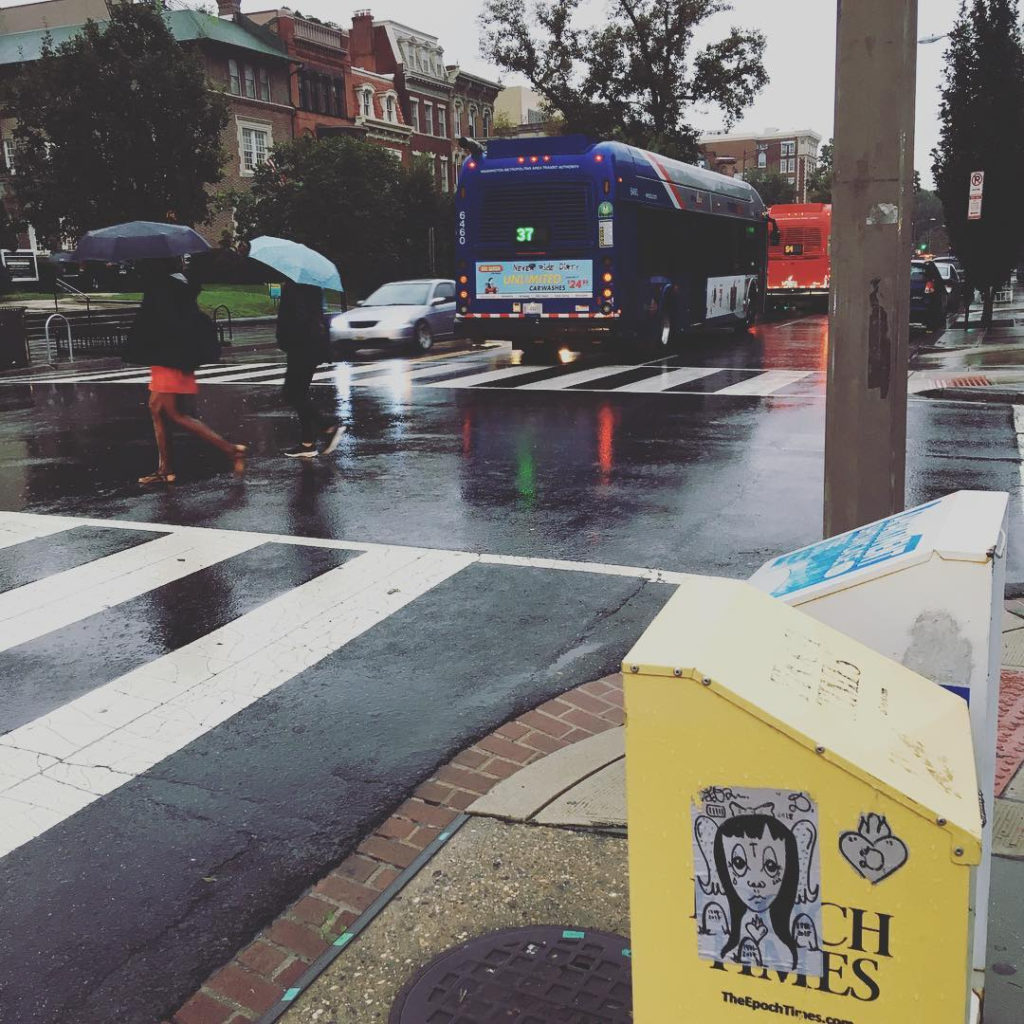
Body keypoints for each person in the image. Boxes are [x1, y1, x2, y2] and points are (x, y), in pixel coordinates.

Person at [126, 261, 246, 485]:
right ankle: (165, 469)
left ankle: (232, 450)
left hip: (169, 359)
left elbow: (163, 322)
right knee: (157, 410)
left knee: (174, 413)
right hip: (171, 359)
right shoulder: (178, 285)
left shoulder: (164, 287)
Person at [276, 280, 343, 458]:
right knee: (300, 393)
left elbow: (298, 318)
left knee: (291, 393)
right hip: (309, 346)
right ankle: (307, 443)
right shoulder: (311, 286)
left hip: (301, 347)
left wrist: (285, 339)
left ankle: (327, 425)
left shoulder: (295, 287)